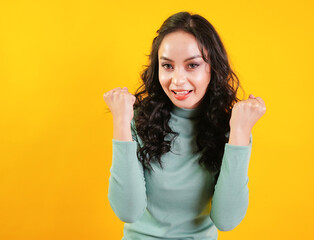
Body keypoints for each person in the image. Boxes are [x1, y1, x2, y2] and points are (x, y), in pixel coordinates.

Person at [103, 11, 266, 240]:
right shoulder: (136, 119)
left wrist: (239, 132)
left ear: (213, 68)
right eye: (168, 66)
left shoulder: (231, 127)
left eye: (192, 65)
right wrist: (121, 120)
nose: (178, 80)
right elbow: (127, 211)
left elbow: (227, 220)